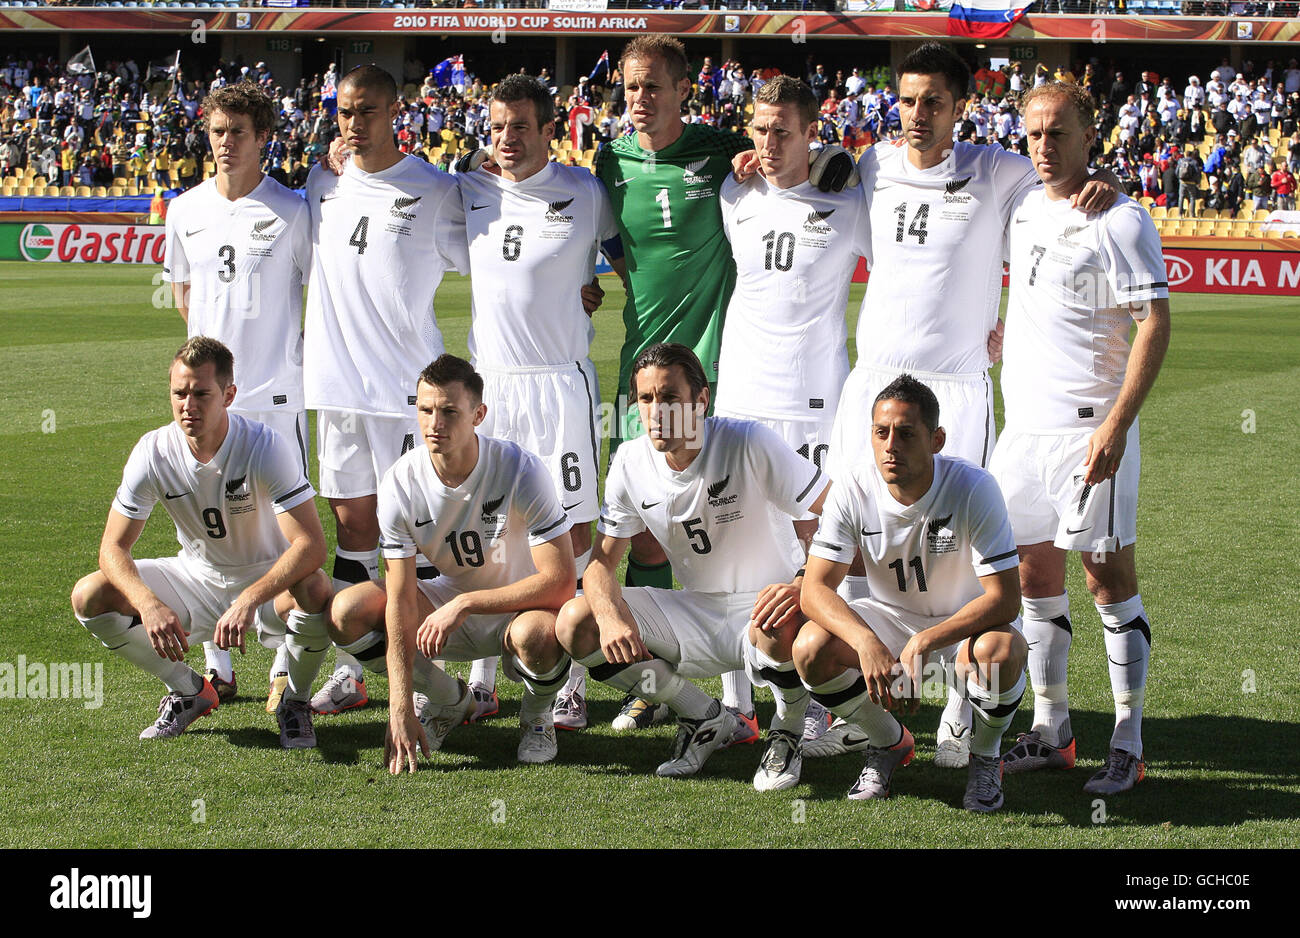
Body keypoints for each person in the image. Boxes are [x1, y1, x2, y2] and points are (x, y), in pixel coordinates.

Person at [808, 43, 1114, 766]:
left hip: (954, 389)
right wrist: (750, 162)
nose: (918, 115)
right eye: (907, 100)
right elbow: (798, 174)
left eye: (933, 102)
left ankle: (957, 703)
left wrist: (1098, 180)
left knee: (955, 548)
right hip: (873, 386)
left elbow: (1058, 184)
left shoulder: (999, 171)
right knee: (857, 540)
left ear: (960, 107)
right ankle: (854, 706)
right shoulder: (870, 166)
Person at [592, 36, 850, 737]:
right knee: (644, 532)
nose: (639, 99)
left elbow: (803, 156)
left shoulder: (723, 154)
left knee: (747, 530)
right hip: (637, 366)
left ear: (682, 89)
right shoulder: (608, 159)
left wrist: (830, 159)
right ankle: (660, 684)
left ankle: (797, 688)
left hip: (715, 373)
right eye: (629, 86)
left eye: (652, 86)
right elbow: (611, 239)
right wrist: (588, 282)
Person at [991, 82, 1170, 794]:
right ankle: (1052, 728)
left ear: (1089, 134)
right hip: (1022, 432)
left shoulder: (1122, 220)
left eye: (1058, 133)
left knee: (1107, 580)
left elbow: (1154, 324)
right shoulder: (1025, 205)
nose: (1044, 146)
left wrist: (1116, 427)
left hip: (1088, 432)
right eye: (1033, 133)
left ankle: (1127, 738)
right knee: (1032, 580)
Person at [554, 344, 830, 785]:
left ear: (701, 399)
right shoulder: (629, 460)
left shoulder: (747, 441)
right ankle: (703, 715)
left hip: (770, 611)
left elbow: (834, 515)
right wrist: (608, 616)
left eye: (669, 398)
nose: (656, 411)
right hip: (696, 611)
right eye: (645, 400)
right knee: (577, 620)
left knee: (778, 620)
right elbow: (601, 562)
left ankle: (788, 729)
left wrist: (801, 584)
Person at [453, 74, 625, 730]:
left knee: (575, 530)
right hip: (490, 386)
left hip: (560, 383)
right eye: (497, 127)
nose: (507, 139)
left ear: (550, 130)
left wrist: (592, 284)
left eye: (521, 126)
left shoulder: (584, 192)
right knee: (491, 530)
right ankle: (483, 677)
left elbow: (622, 257)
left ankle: (575, 678)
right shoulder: (466, 191)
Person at [304, 65, 469, 716]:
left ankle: (444, 677)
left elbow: (490, 253)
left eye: (368, 110)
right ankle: (353, 672)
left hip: (409, 390)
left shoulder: (433, 188)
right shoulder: (325, 181)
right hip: (338, 388)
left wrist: (577, 284)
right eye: (345, 111)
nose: (354, 122)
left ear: (396, 112)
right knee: (353, 529)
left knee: (423, 538)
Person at [70, 338, 333, 747]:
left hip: (267, 586)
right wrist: (147, 602)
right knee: (90, 595)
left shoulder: (264, 446)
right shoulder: (153, 451)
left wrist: (248, 599)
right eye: (179, 393)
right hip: (196, 577)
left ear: (229, 395)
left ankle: (294, 703)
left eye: (201, 394)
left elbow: (312, 546)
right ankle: (189, 691)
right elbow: (112, 548)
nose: (187, 405)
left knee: (315, 587)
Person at [715, 75, 872, 738]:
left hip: (814, 402)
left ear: (812, 131)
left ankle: (834, 703)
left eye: (784, 130)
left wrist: (843, 161)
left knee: (820, 552)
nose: (769, 143)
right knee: (733, 548)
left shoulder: (851, 202)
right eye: (760, 130)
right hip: (740, 401)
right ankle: (737, 706)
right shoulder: (735, 193)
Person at [325, 356, 576, 769]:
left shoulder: (519, 468)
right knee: (345, 611)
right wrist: (400, 706)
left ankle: (535, 716)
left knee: (541, 634)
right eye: (425, 410)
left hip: (517, 611)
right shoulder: (401, 483)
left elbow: (561, 581)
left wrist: (465, 604)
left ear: (479, 414)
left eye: (449, 412)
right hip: (444, 606)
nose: (434, 424)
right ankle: (447, 697)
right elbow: (401, 600)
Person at [796, 375, 1025, 811]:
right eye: (881, 433)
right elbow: (814, 590)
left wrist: (923, 643)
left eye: (906, 433)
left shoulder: (973, 486)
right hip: (889, 618)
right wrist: (867, 643)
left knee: (1001, 653)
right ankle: (887, 742)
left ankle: (986, 755)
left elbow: (1005, 600)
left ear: (936, 439)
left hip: (964, 627)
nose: (890, 446)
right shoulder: (852, 485)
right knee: (811, 647)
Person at [163, 81, 313, 712]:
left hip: (275, 397)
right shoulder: (183, 209)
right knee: (202, 526)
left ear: (263, 137)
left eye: (239, 133)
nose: (226, 144)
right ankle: (216, 668)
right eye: (218, 131)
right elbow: (183, 292)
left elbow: (318, 291)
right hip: (208, 398)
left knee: (283, 534)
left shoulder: (293, 209)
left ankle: (284, 661)